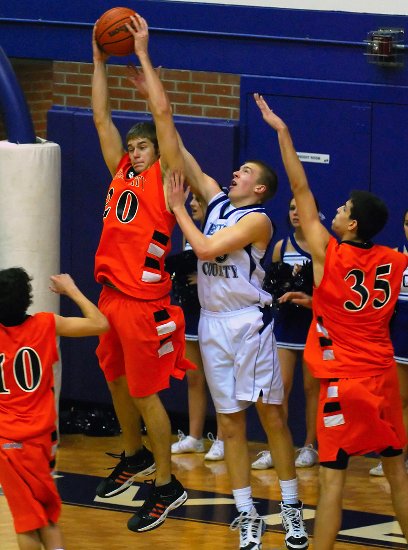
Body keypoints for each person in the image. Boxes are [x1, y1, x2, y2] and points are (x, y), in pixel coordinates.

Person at [254, 93, 408, 549]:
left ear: (353, 225)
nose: (335, 211)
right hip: (382, 376)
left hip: (344, 381)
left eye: (342, 209)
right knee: (398, 475)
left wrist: (283, 132)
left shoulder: (329, 253)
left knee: (332, 482)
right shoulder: (394, 261)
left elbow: (300, 187)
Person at [91, 15, 193, 533]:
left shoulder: (164, 179)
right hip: (111, 295)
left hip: (144, 302)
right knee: (114, 379)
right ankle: (135, 455)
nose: (133, 153)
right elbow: (100, 119)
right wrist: (98, 61)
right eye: (131, 148)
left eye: (142, 148)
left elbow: (163, 112)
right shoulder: (121, 174)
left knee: (144, 392)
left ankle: (168, 485)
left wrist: (143, 55)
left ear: (158, 154)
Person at [0, 268, 109, 550]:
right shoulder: (47, 323)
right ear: (28, 298)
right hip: (43, 438)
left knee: (28, 522)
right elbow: (100, 324)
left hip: (8, 442)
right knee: (46, 516)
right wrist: (71, 290)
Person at [252, 197, 319, 471]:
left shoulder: (321, 245)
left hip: (313, 324)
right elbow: (272, 285)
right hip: (286, 325)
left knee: (311, 388)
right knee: (280, 388)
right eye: (291, 207)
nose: (295, 212)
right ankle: (277, 448)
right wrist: (286, 284)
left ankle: (310, 446)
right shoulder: (281, 246)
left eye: (300, 207)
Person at [168, 193, 224, 461]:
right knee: (194, 377)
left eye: (197, 200)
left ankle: (224, 438)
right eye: (190, 199)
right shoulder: (189, 233)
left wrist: (203, 278)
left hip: (216, 312)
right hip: (191, 312)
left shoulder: (224, 232)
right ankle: (195, 436)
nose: (191, 204)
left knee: (220, 380)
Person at [370, 208, 408, 476]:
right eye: (407, 223)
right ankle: (397, 457)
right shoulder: (393, 257)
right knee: (398, 400)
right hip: (399, 335)